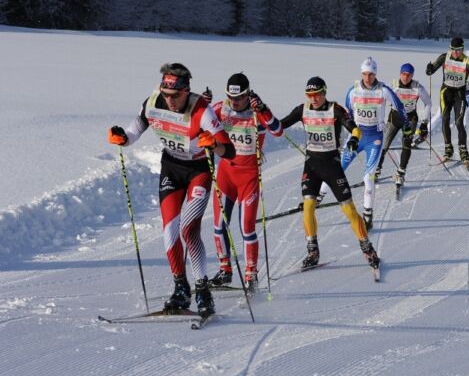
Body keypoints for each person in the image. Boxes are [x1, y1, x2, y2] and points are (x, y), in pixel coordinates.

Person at [107, 63, 235, 316]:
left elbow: (228, 150)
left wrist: (213, 145)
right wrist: (122, 138)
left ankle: (202, 289)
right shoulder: (152, 103)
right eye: (167, 94)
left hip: (198, 170)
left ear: (187, 90)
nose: (171, 100)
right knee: (169, 231)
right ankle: (180, 288)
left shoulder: (202, 110)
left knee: (189, 228)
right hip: (171, 169)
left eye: (175, 96)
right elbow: (133, 133)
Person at [278, 76, 380, 269]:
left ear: (324, 92)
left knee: (348, 209)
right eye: (310, 95)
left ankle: (368, 248)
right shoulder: (302, 109)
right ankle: (313, 251)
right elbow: (279, 125)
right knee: (308, 207)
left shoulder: (335, 109)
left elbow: (355, 129)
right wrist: (259, 117)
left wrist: (353, 140)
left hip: (332, 165)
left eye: (317, 94)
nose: (314, 98)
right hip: (312, 166)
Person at [206, 73, 283, 292]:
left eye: (238, 98)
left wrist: (264, 109)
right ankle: (225, 270)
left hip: (248, 177)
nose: (234, 102)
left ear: (248, 94)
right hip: (226, 174)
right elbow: (200, 121)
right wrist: (203, 104)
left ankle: (251, 274)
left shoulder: (257, 113)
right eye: (230, 97)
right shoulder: (222, 108)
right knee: (219, 226)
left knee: (246, 227)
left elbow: (278, 131)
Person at [319, 57, 406, 229]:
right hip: (357, 137)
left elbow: (400, 106)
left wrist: (406, 125)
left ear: (375, 74)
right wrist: (348, 137)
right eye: (365, 74)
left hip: (375, 138)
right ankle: (318, 197)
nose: (368, 78)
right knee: (336, 169)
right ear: (361, 73)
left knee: (368, 177)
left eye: (371, 74)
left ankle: (368, 216)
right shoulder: (353, 91)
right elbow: (347, 116)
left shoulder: (384, 90)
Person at [425, 37, 469, 164]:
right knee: (445, 119)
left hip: (459, 94)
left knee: (459, 122)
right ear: (450, 48)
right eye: (453, 50)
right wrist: (429, 68)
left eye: (458, 50)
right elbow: (432, 69)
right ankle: (448, 148)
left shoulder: (467, 61)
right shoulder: (444, 57)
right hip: (446, 93)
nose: (456, 52)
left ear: (462, 49)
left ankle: (463, 150)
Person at [375, 62, 431, 187]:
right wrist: (379, 119)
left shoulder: (417, 87)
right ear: (400, 74)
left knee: (406, 145)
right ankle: (376, 170)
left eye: (409, 75)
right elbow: (381, 99)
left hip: (410, 118)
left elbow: (428, 103)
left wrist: (424, 123)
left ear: (412, 76)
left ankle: (401, 173)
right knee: (384, 145)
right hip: (394, 117)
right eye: (403, 74)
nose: (406, 77)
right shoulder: (393, 85)